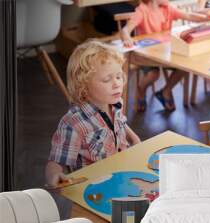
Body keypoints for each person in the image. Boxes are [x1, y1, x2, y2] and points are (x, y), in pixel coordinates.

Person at [45, 40, 141, 188]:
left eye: (118, 76)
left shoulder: (115, 103)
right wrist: (54, 174)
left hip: (120, 174)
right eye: (107, 79)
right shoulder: (73, 123)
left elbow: (119, 123)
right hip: (92, 188)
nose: (117, 84)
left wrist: (135, 139)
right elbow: (57, 161)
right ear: (84, 86)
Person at [121, 0, 210, 112]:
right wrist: (127, 38)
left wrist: (207, 18)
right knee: (153, 74)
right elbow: (125, 30)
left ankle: (165, 91)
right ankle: (141, 90)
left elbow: (189, 16)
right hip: (147, 56)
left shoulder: (168, 8)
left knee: (184, 67)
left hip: (164, 53)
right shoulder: (142, 10)